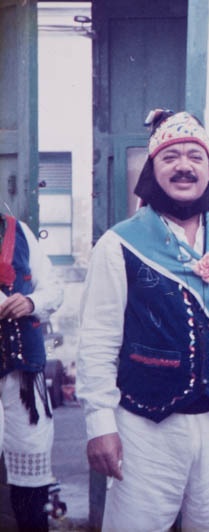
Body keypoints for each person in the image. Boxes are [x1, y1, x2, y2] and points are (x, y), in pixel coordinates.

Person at [76, 109, 209, 530]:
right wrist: (99, 424)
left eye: (195, 157)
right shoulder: (119, 243)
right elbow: (97, 340)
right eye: (170, 157)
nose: (184, 166)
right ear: (153, 170)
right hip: (145, 428)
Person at [0, 213, 63, 531]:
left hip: (23, 373)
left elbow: (53, 288)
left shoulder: (19, 231)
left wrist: (30, 301)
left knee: (31, 468)